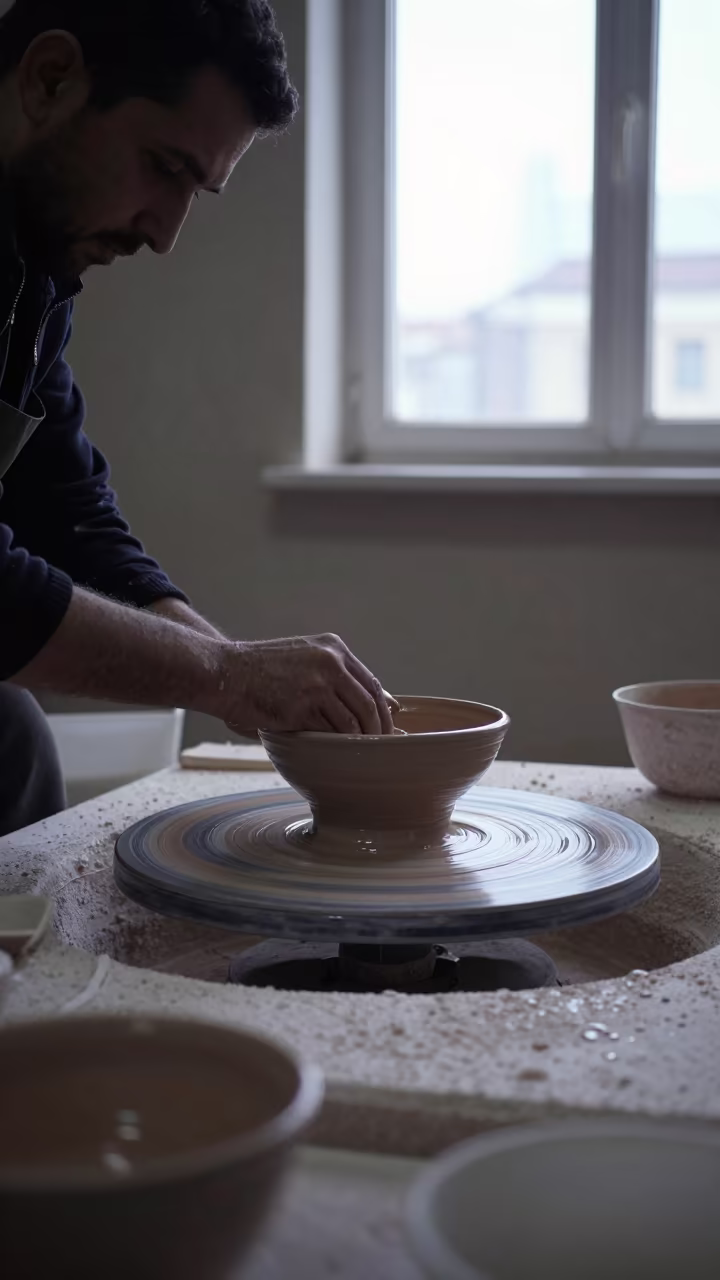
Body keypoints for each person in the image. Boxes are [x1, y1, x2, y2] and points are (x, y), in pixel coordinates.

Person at [0, 0, 395, 837]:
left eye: (196, 190)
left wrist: (229, 666)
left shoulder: (32, 268)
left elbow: (64, 506)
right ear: (50, 78)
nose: (167, 232)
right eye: (163, 166)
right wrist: (219, 673)